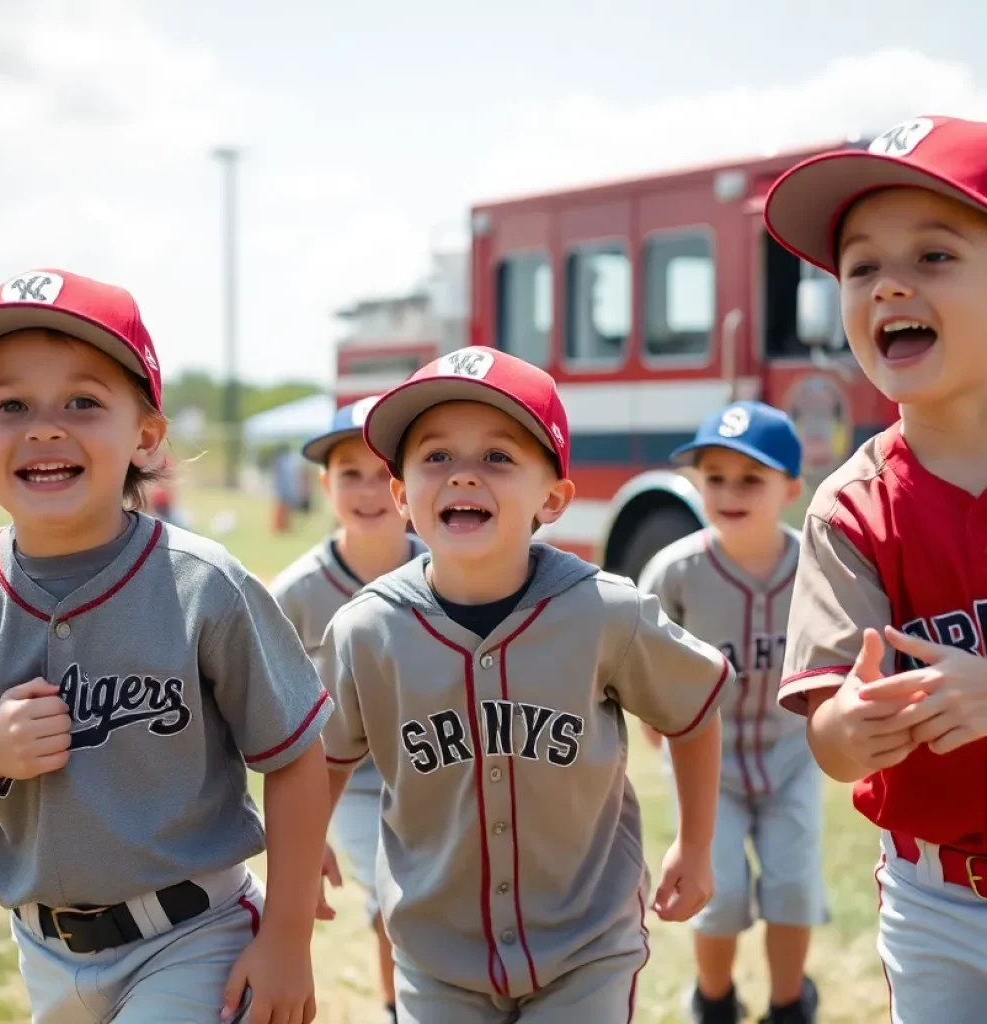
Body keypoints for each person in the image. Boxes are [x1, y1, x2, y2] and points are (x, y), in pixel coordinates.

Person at [314, 346, 735, 1023]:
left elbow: (693, 708)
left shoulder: (606, 611)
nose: (463, 477)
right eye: (437, 457)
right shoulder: (366, 630)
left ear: (555, 497)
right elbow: (325, 755)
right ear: (401, 496)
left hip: (586, 945)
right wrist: (307, 854)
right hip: (434, 951)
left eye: (498, 458)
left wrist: (696, 840)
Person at [0, 269, 332, 1024]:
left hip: (193, 937)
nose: (45, 427)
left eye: (83, 402)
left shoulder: (204, 584)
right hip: (43, 952)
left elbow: (296, 755)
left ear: (146, 436)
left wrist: (289, 938)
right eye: (10, 405)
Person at [764, 114, 987, 1024]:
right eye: (860, 267)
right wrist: (850, 727)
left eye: (935, 254)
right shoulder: (850, 508)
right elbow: (827, 733)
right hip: (935, 898)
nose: (889, 283)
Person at [638, 402, 824, 1024]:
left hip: (791, 755)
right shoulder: (676, 570)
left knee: (794, 888)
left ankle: (789, 1003)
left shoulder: (816, 566)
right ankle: (713, 999)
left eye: (752, 478)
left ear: (791, 489)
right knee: (716, 895)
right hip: (709, 768)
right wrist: (656, 730)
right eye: (715, 477)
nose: (731, 492)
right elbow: (644, 666)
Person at [270, 395, 425, 1024]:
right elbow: (270, 718)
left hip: (433, 765)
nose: (367, 491)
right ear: (324, 484)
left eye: (379, 472)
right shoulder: (294, 594)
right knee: (398, 891)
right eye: (348, 474)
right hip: (345, 782)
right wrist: (309, 832)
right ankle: (399, 1011)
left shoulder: (446, 568)